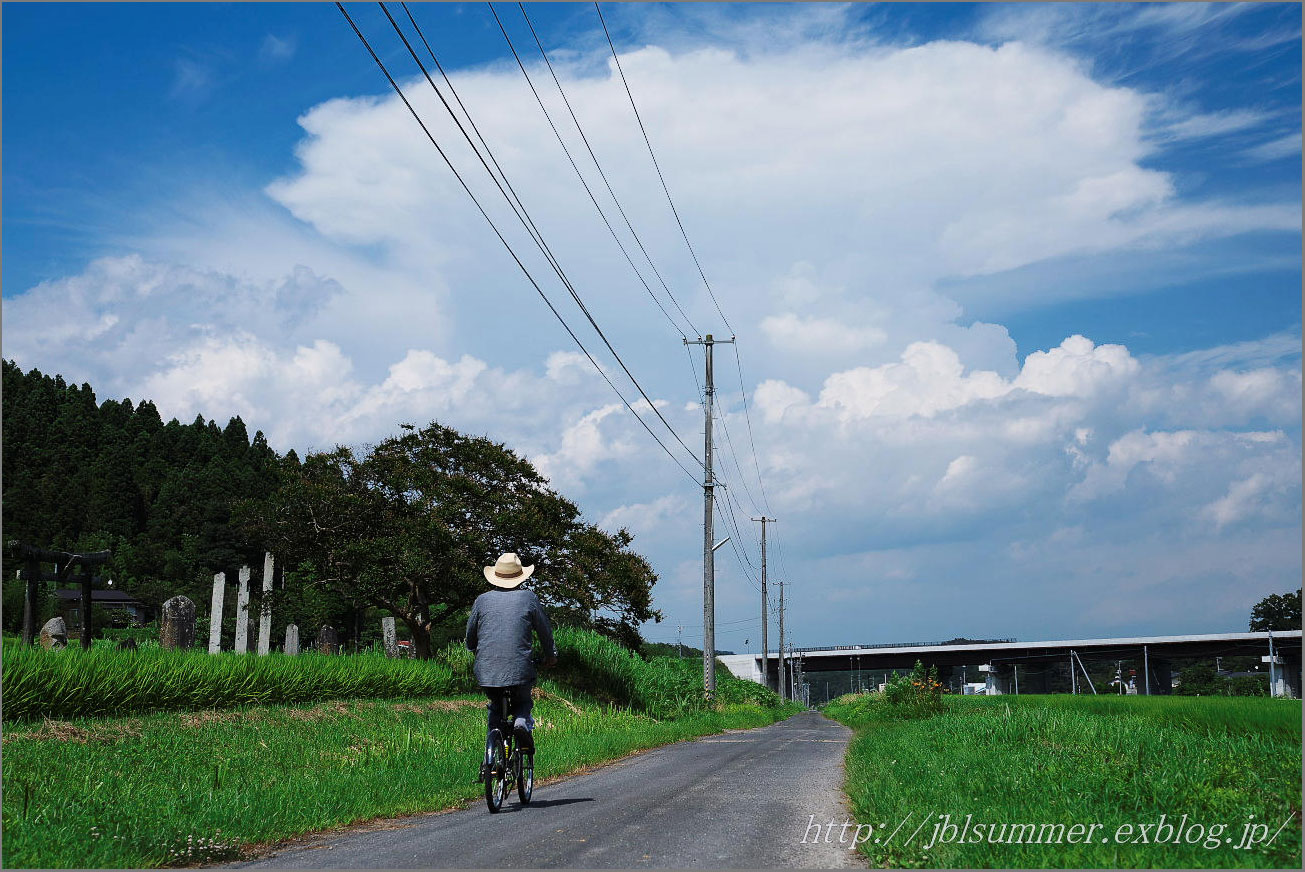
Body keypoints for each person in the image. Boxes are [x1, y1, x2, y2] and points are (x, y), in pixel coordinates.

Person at [465, 552, 557, 773]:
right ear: (520, 577)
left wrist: (475, 650)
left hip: (487, 671)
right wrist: (551, 655)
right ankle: (521, 724)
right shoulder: (528, 598)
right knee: (523, 702)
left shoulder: (482, 600)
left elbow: (470, 637)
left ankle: (492, 758)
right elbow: (545, 632)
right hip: (521, 668)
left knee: (496, 707)